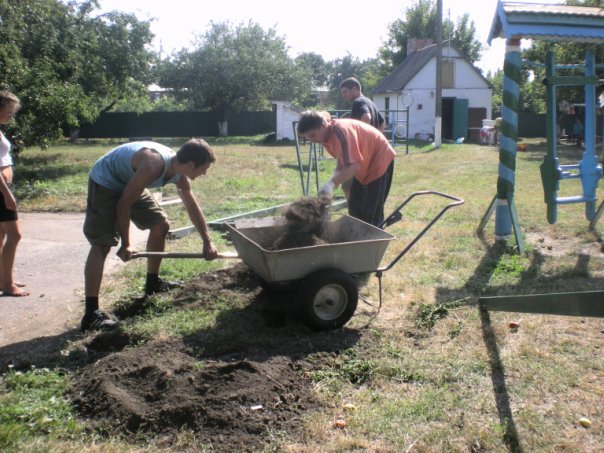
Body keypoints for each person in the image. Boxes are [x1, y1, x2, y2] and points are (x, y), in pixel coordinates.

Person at [81, 139, 218, 331]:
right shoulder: (153, 165)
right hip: (107, 181)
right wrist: (126, 243)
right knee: (102, 244)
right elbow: (123, 205)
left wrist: (207, 241)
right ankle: (91, 314)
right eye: (203, 169)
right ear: (190, 165)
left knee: (161, 225)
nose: (204, 173)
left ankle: (153, 284)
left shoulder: (179, 173)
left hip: (132, 181)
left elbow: (190, 204)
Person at [297, 110, 395, 227]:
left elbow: (354, 166)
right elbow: (343, 159)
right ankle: (357, 241)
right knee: (354, 207)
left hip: (379, 160)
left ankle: (372, 242)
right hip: (364, 164)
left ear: (323, 125)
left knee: (371, 212)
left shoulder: (341, 131)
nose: (312, 140)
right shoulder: (326, 138)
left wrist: (332, 183)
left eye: (312, 135)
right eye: (308, 138)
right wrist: (334, 177)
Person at [0, 90, 29, 297]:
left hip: (3, 188)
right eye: (8, 111)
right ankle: (8, 285)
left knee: (1, 234)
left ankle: (3, 278)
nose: (11, 115)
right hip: (1, 189)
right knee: (15, 234)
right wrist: (7, 194)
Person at [339, 77, 386, 199]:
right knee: (362, 186)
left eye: (345, 92)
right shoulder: (370, 102)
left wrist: (361, 143)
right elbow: (382, 123)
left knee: (347, 186)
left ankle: (353, 215)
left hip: (361, 153)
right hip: (372, 153)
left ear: (354, 89)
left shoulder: (358, 102)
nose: (344, 96)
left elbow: (366, 117)